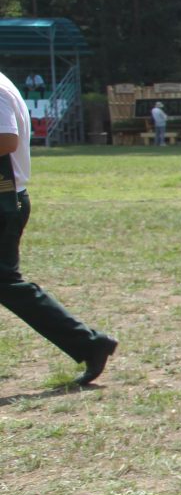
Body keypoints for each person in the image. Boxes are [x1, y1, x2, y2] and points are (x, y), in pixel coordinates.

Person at [1, 69, 116, 384]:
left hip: (3, 201)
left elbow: (6, 139)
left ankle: (89, 343)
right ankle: (88, 343)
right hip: (6, 199)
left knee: (6, 284)